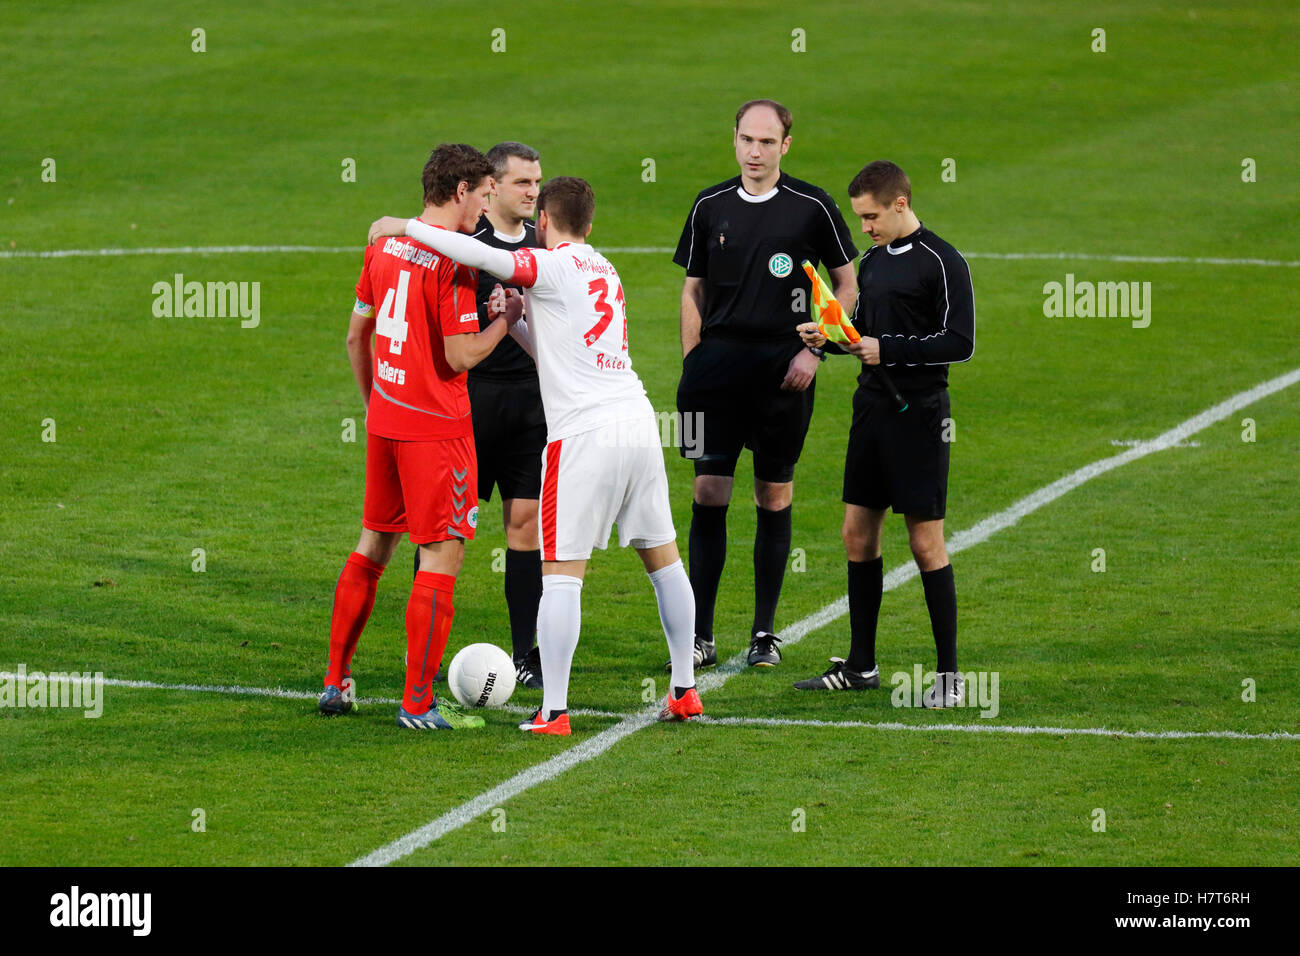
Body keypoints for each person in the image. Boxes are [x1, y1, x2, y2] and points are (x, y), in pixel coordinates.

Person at [368, 177, 702, 735]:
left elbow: (479, 252)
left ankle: (553, 710)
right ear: (590, 224)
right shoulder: (604, 269)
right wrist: (517, 319)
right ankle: (685, 690)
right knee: (663, 560)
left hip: (583, 437)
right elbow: (557, 352)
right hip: (636, 425)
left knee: (562, 575)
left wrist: (406, 227)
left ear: (543, 221)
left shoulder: (551, 264)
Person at [319, 143, 518, 730]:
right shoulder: (458, 263)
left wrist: (376, 403)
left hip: (387, 419)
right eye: (484, 195)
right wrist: (506, 321)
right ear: (460, 191)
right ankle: (416, 701)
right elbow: (460, 355)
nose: (486, 210)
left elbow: (358, 337)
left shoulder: (382, 245)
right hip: (438, 430)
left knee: (373, 546)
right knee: (441, 556)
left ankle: (335, 681)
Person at [673, 98, 858, 669]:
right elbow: (693, 290)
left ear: (785, 145)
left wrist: (816, 349)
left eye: (767, 142)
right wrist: (694, 362)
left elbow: (848, 286)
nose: (755, 151)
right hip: (717, 369)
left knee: (772, 493)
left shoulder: (812, 207)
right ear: (734, 140)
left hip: (784, 370)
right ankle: (700, 635)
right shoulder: (710, 204)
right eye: (747, 140)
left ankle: (763, 634)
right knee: (709, 492)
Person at [793, 161, 975, 707]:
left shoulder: (943, 261)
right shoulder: (871, 263)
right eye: (860, 218)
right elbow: (861, 334)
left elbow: (960, 342)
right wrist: (825, 339)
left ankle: (949, 677)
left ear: (900, 203)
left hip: (918, 412)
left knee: (925, 542)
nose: (865, 228)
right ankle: (860, 666)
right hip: (871, 407)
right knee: (857, 535)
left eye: (871, 216)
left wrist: (888, 348)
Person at [413, 141, 547, 690]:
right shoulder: (464, 245)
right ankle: (417, 655)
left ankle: (525, 651)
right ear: (492, 187)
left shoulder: (545, 246)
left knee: (524, 525)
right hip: (467, 404)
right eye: (522, 183)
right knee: (440, 536)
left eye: (537, 183)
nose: (533, 193)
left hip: (531, 406)